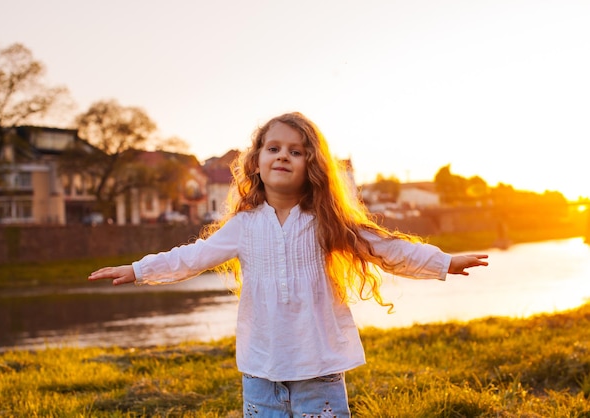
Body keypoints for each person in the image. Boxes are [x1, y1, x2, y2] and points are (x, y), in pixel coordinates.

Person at [88, 112, 488, 417]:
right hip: (261, 373)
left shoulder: (327, 222)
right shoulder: (243, 226)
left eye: (296, 152)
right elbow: (191, 258)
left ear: (312, 167)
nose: (283, 156)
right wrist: (139, 270)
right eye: (274, 148)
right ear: (256, 162)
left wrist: (444, 261)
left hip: (320, 369)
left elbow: (385, 247)